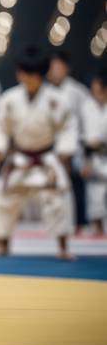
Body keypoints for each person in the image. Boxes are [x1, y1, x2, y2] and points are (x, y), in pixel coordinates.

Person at [0, 46, 77, 260]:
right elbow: (0, 128)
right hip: (20, 158)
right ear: (19, 73)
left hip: (46, 158)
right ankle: (2, 243)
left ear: (41, 75)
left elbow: (68, 128)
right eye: (24, 73)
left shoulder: (56, 99)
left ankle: (63, 245)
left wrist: (64, 153)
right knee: (3, 197)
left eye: (33, 75)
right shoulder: (9, 98)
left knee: (58, 198)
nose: (28, 79)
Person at [47, 51, 89, 231]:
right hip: (50, 148)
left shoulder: (78, 92)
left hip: (74, 147)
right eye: (52, 68)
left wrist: (82, 151)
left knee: (75, 185)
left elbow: (87, 121)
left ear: (66, 68)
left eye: (58, 67)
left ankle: (79, 223)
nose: (55, 71)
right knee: (51, 189)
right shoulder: (43, 91)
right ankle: (54, 224)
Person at [80, 70, 107, 235]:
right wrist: (86, 163)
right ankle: (96, 228)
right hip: (94, 159)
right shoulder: (87, 106)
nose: (95, 94)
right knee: (95, 198)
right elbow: (84, 139)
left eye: (98, 90)